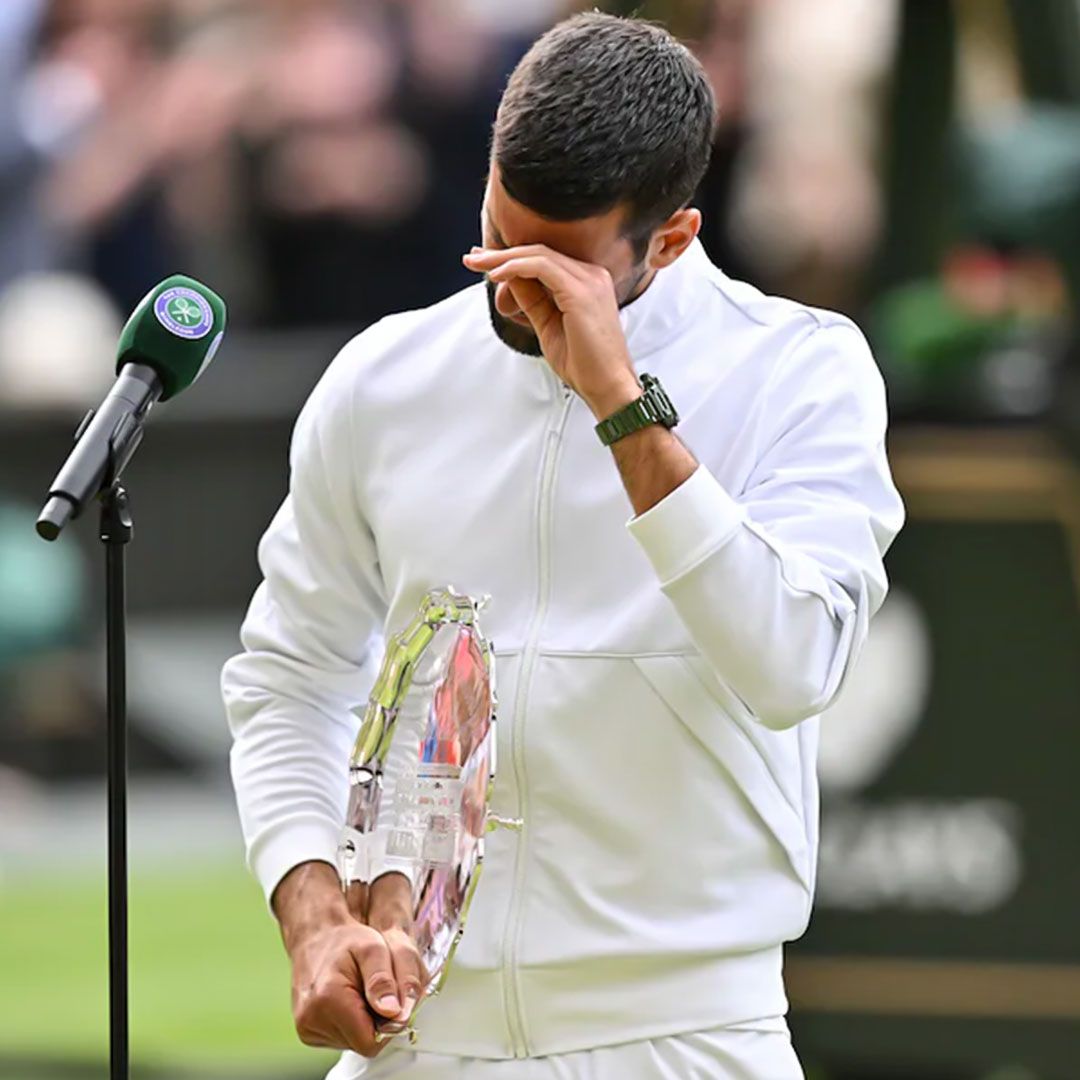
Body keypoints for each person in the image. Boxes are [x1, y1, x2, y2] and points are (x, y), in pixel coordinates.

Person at [222, 13, 904, 1079]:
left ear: (672, 238)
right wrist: (312, 913)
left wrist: (621, 406)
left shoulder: (804, 371)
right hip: (420, 1032)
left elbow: (791, 663)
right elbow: (288, 677)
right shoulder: (383, 377)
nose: (511, 284)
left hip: (684, 1035)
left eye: (559, 263)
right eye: (499, 228)